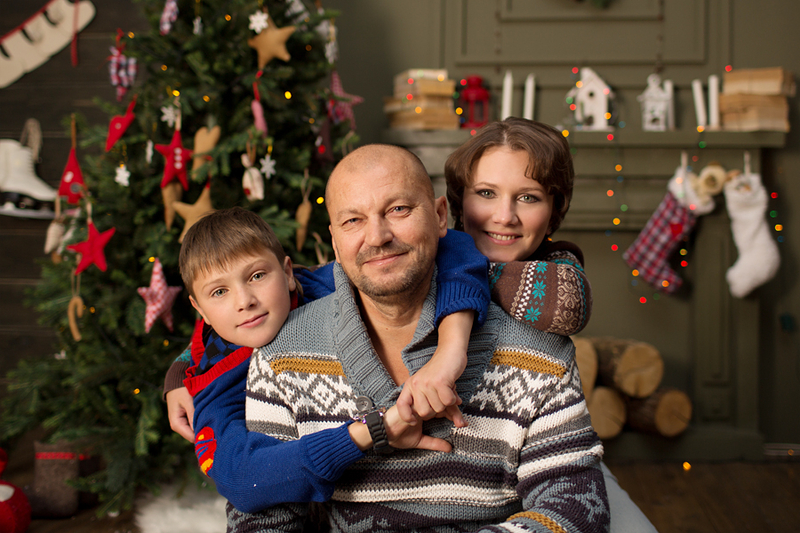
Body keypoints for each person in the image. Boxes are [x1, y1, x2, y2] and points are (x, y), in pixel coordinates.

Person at [230, 143, 609, 532]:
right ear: (335, 242)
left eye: (398, 210)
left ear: (440, 216)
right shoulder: (282, 353)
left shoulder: (539, 352)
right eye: (353, 220)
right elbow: (261, 519)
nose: (377, 236)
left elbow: (577, 510)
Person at [169, 205, 491, 510]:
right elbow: (241, 480)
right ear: (200, 311)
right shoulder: (214, 386)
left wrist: (451, 346)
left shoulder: (325, 285)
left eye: (256, 276)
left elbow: (450, 244)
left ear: (287, 272)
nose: (245, 301)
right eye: (219, 292)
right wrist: (371, 431)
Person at [445, 117, 658, 533]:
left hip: (544, 457)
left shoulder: (556, 262)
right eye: (486, 193)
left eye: (528, 197)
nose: (504, 216)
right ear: (457, 200)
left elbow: (565, 305)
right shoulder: (428, 251)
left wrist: (459, 272)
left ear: (554, 209)